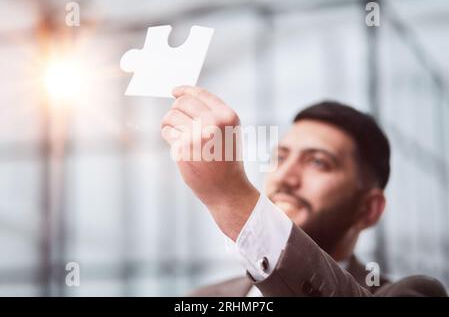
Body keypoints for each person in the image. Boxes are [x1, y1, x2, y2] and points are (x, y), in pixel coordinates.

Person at [160, 85, 447, 297]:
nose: (285, 177)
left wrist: (231, 197)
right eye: (281, 158)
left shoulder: (412, 293)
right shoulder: (201, 299)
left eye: (318, 162)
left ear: (368, 209)